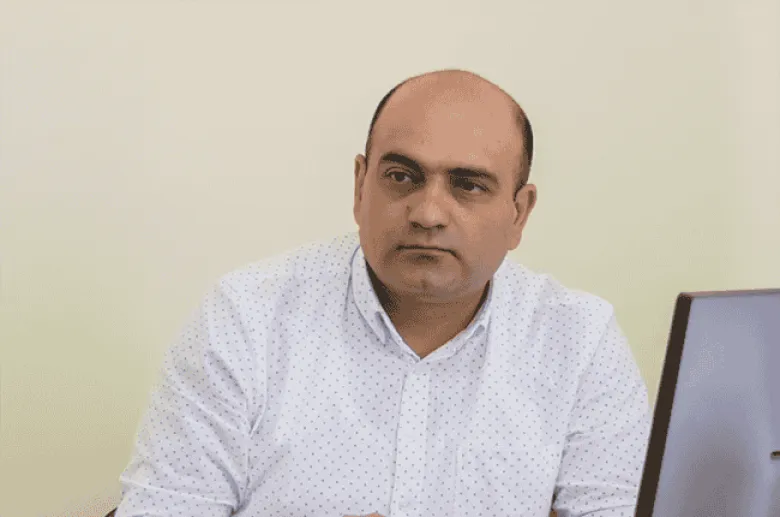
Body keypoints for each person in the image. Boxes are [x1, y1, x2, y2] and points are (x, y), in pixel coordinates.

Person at [115, 69, 651, 517]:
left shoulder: (578, 340)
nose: (428, 213)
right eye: (401, 176)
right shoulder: (246, 318)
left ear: (519, 212)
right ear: (360, 185)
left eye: (468, 185)